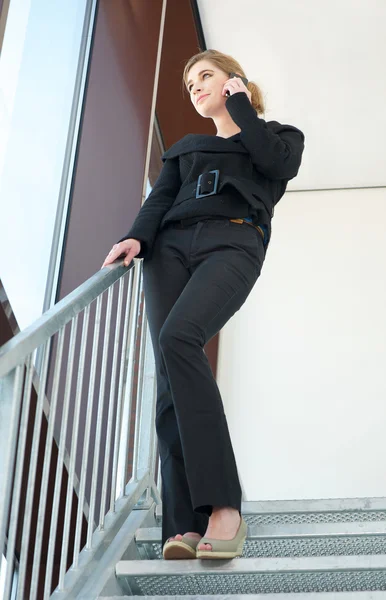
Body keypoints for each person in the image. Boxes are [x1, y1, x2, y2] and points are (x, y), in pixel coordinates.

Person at [101, 49, 305, 560]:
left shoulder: (278, 135)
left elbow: (276, 166)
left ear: (234, 81)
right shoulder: (186, 148)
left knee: (179, 337)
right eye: (189, 83)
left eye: (205, 77)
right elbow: (160, 200)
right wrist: (135, 239)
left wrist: (242, 110)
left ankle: (223, 506)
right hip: (167, 251)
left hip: (233, 242)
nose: (194, 88)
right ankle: (183, 523)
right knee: (170, 378)